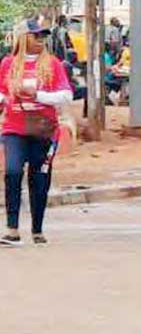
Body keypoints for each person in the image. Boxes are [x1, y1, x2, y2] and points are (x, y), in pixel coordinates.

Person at [0, 18, 72, 246]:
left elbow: (66, 95)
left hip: (43, 131)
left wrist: (37, 95)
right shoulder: (8, 64)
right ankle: (12, 229)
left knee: (39, 178)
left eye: (43, 36)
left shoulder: (53, 64)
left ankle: (37, 228)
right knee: (12, 171)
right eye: (36, 36)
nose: (41, 40)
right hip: (14, 127)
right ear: (23, 38)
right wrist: (8, 97)